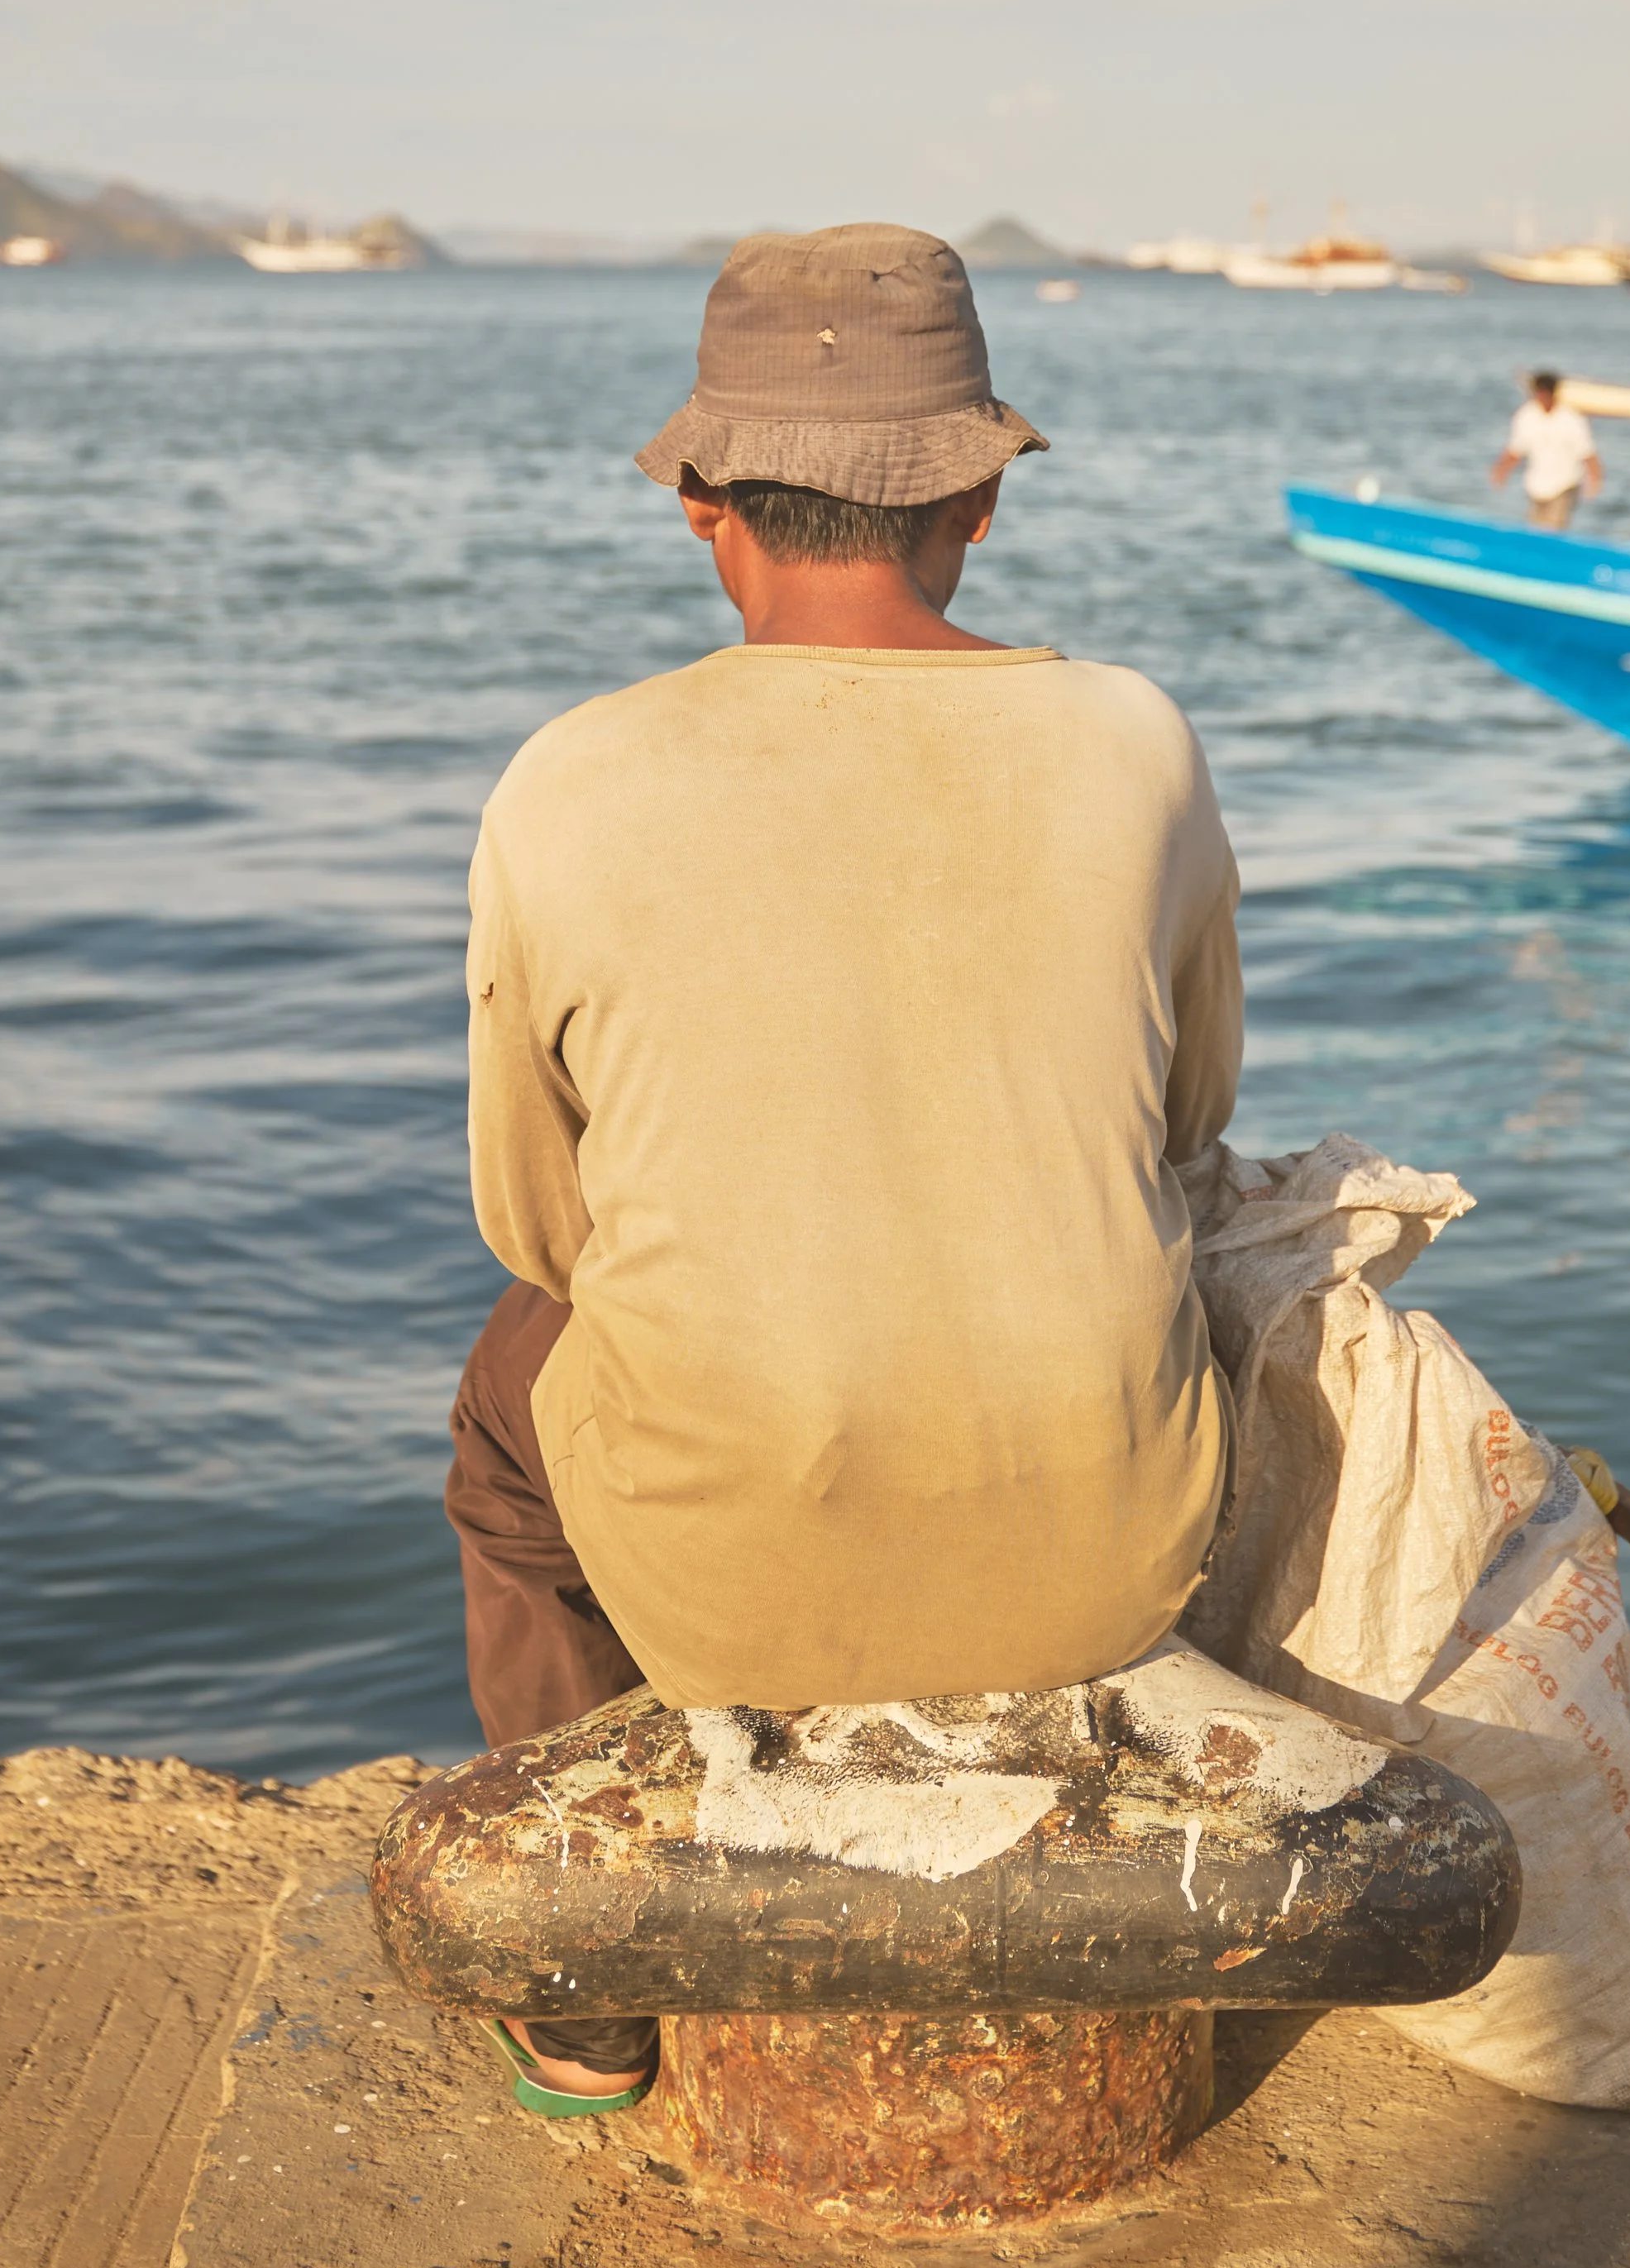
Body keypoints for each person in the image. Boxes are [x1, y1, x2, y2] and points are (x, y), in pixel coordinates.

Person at [446, 224, 1241, 2109]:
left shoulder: (568, 775)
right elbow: (1189, 1119)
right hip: (1108, 1556)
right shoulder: (1134, 742)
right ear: (972, 493)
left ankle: (588, 1966)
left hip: (724, 1575)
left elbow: (535, 1219)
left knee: (512, 1402)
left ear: (703, 505)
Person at [1492, 370, 1600, 531]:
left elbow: (1587, 452)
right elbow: (1516, 449)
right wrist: (1501, 470)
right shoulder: (1526, 416)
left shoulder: (1571, 419)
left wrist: (1595, 478)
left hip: (1564, 485)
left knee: (1553, 531)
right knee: (1535, 531)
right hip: (1536, 486)